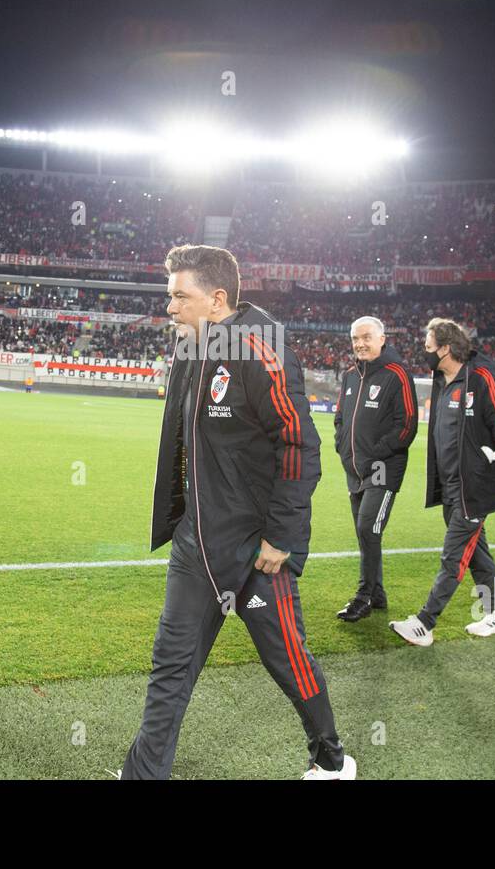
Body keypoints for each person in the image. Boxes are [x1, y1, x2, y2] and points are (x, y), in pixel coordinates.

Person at [122, 244, 353, 780]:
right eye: (170, 296)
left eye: (181, 296)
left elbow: (299, 446)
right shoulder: (190, 348)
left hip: (256, 547)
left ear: (217, 298)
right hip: (197, 541)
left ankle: (331, 758)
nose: (171, 307)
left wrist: (281, 536)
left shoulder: (259, 348)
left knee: (287, 661)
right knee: (171, 665)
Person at [390, 317, 495, 646]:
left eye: (429, 346)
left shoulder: (481, 377)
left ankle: (424, 623)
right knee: (477, 552)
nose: (425, 351)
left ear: (446, 348)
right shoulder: (442, 380)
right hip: (450, 486)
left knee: (453, 556)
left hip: (474, 487)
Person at [331, 316, 417, 621]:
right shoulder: (350, 375)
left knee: (369, 527)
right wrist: (342, 445)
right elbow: (340, 416)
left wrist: (373, 456)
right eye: (355, 338)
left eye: (366, 337)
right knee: (365, 532)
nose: (360, 344)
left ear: (382, 338)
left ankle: (363, 597)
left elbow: (407, 426)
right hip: (354, 469)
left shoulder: (397, 374)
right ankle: (378, 594)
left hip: (382, 468)